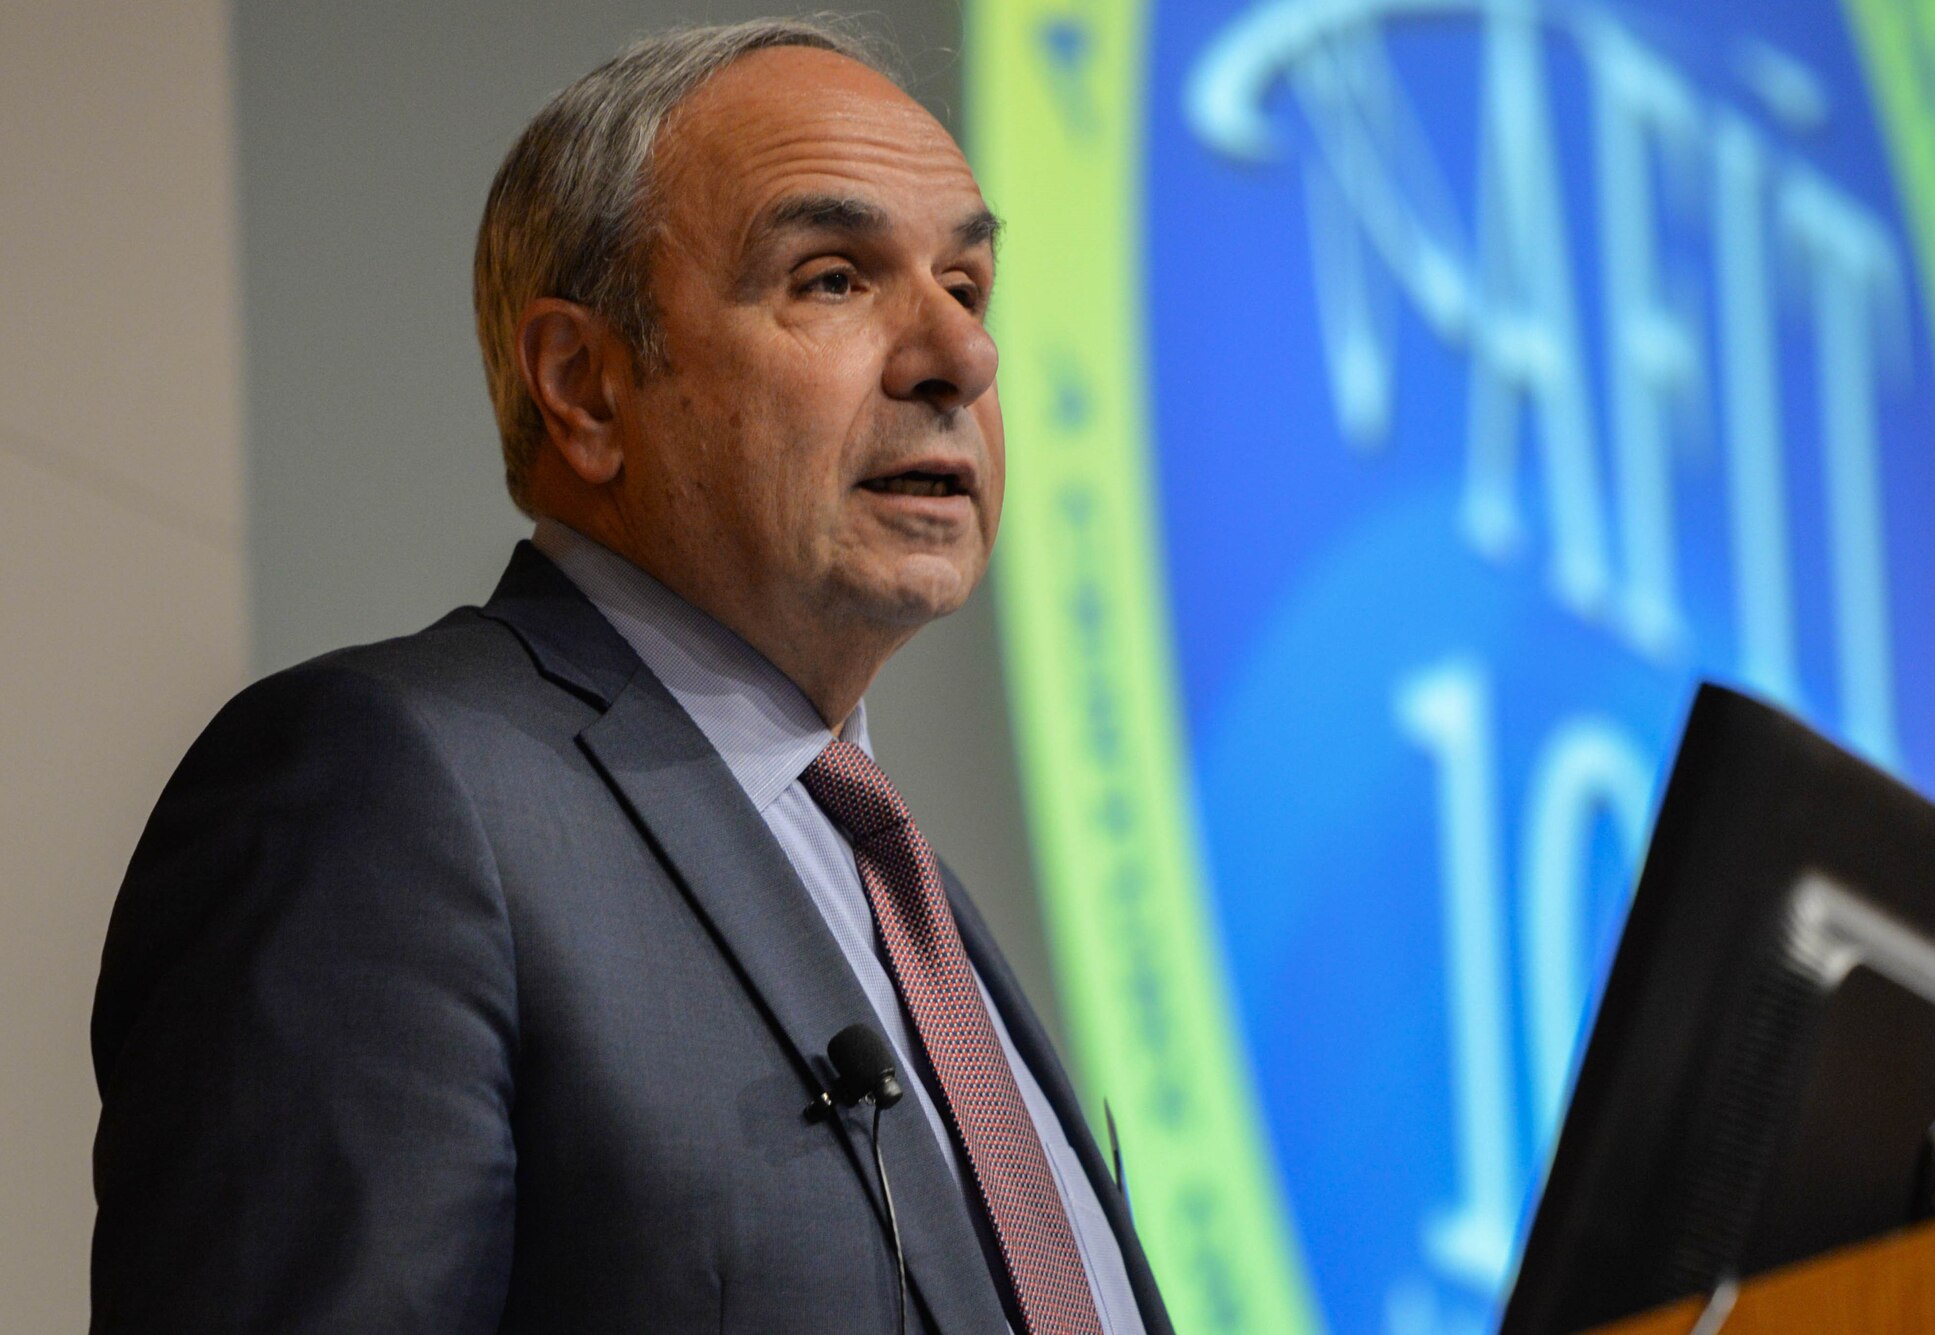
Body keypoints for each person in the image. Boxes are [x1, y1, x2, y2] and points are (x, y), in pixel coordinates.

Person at [90, 17, 1171, 1335]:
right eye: (833, 278)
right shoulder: (386, 800)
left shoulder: (906, 891)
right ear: (585, 388)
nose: (962, 357)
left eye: (968, 286)